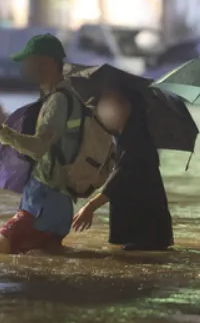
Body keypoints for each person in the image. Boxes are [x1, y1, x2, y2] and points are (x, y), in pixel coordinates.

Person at [0, 34, 81, 255]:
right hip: (53, 205)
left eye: (29, 60)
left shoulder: (58, 101)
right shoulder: (59, 97)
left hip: (42, 207)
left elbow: (39, 147)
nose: (24, 66)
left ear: (46, 62)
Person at [72, 86, 173, 251]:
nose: (105, 108)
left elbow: (119, 178)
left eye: (112, 103)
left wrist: (89, 207)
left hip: (145, 230)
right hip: (143, 228)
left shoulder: (136, 140)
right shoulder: (126, 137)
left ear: (128, 108)